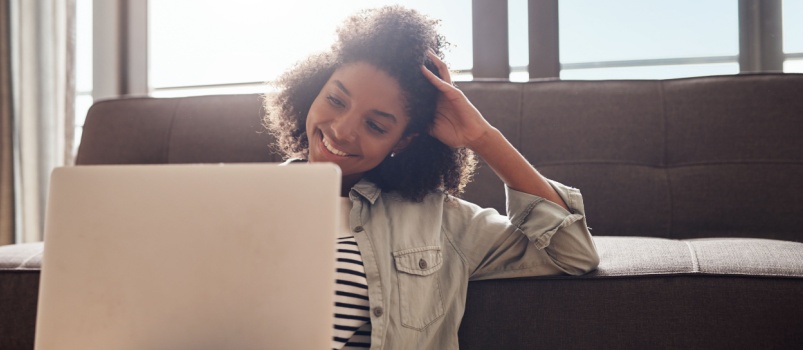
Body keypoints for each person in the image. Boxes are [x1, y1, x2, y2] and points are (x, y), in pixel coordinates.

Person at [263, 6, 599, 349]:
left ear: (402, 142)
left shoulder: (439, 222)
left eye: (375, 125)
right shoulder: (247, 199)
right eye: (335, 100)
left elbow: (573, 253)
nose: (342, 130)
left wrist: (482, 136)